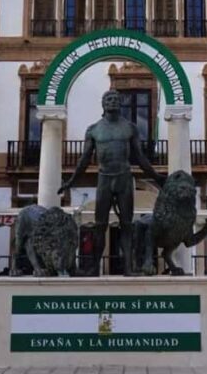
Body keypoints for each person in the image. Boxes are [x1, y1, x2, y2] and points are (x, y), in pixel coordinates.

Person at [58, 90, 166, 276]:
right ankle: (94, 268)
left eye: (116, 99)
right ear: (103, 104)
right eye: (108, 99)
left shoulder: (130, 128)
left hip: (124, 177)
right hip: (104, 178)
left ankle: (129, 269)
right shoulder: (94, 129)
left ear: (120, 103)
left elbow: (140, 157)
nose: (112, 101)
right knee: (100, 224)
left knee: (127, 224)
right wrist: (71, 181)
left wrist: (156, 177)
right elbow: (84, 159)